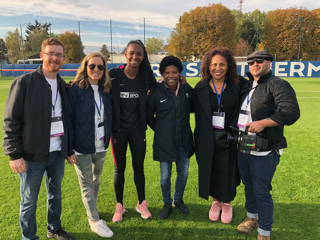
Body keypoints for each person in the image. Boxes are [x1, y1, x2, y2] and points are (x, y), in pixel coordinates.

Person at [3, 38, 75, 240]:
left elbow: (66, 121)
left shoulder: (62, 85)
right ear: (42, 55)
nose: (55, 58)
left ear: (63, 58)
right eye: (51, 53)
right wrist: (14, 154)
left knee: (56, 195)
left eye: (59, 55)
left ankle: (54, 228)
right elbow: (11, 121)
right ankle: (29, 237)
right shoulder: (24, 83)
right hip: (31, 155)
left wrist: (68, 150)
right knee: (29, 200)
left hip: (57, 153)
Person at [236, 50, 300, 240]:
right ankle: (251, 218)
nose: (254, 64)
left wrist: (263, 122)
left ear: (269, 62)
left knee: (262, 190)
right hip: (244, 145)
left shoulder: (278, 84)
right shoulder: (247, 86)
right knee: (248, 185)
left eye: (259, 61)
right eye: (250, 62)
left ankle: (264, 232)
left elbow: (291, 112)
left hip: (266, 150)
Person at [193, 48, 247, 224]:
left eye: (222, 64)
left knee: (228, 170)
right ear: (208, 66)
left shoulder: (239, 84)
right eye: (214, 64)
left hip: (230, 138)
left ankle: (227, 203)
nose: (218, 68)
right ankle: (216, 202)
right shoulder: (200, 87)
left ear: (228, 65)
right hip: (206, 138)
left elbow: (257, 88)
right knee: (211, 169)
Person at [108, 40, 156, 222]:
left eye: (139, 54)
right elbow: (94, 83)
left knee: (139, 168)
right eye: (132, 53)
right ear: (125, 54)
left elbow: (161, 87)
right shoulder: (113, 74)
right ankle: (119, 205)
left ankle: (141, 203)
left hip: (138, 131)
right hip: (118, 131)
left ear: (143, 56)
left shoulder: (146, 77)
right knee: (119, 168)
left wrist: (181, 80)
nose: (135, 57)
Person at [67, 52, 113, 238]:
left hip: (101, 144)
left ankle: (91, 209)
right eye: (92, 66)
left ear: (104, 70)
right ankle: (94, 219)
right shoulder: (75, 89)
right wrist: (68, 149)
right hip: (81, 145)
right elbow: (68, 120)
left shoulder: (106, 89)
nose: (96, 69)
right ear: (85, 67)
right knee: (86, 182)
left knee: (96, 179)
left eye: (100, 67)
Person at [146, 55, 194, 220]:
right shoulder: (155, 92)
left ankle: (178, 200)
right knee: (165, 175)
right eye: (167, 72)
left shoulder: (187, 90)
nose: (171, 75)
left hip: (184, 141)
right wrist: (160, 129)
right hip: (164, 142)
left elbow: (195, 106)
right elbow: (148, 115)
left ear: (180, 72)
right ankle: (167, 203)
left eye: (174, 72)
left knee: (184, 174)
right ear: (162, 73)